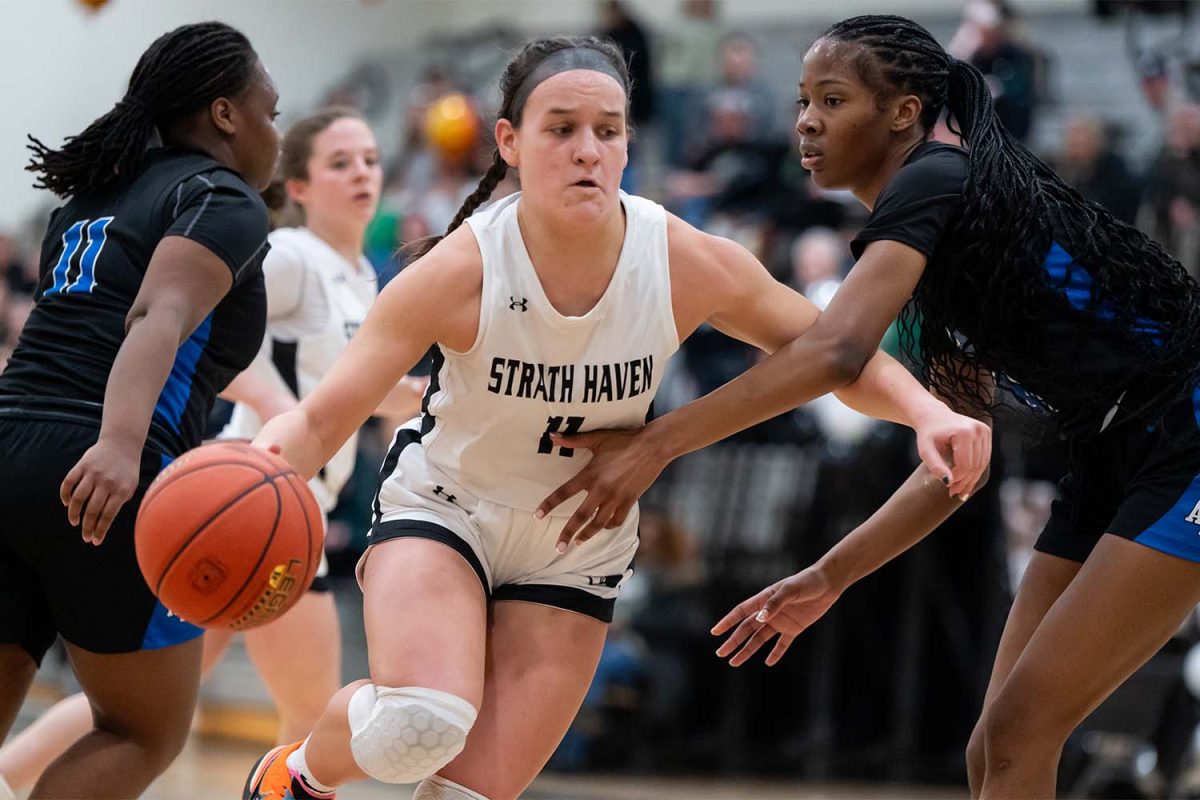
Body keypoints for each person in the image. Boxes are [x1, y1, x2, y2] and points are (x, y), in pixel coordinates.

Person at [240, 34, 988, 800]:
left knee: (470, 789)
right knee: (417, 725)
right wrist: (250, 477)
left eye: (608, 130)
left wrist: (927, 413)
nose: (587, 151)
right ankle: (296, 775)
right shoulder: (459, 270)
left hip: (575, 541)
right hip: (448, 508)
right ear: (511, 143)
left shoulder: (681, 258)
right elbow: (323, 418)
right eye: (561, 129)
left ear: (630, 142)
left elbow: (836, 350)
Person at [536, 14, 1200, 800]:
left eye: (833, 99)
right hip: (1114, 448)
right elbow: (957, 457)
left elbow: (833, 351)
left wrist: (657, 443)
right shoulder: (940, 249)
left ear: (903, 113)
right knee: (994, 747)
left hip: (1186, 433)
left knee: (1021, 733)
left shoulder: (937, 176)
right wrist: (829, 575)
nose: (806, 121)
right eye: (802, 100)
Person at [0, 107, 427, 795]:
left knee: (146, 702)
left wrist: (406, 396)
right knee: (302, 714)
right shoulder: (289, 256)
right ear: (300, 185)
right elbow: (214, 342)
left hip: (274, 507)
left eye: (372, 160)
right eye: (341, 162)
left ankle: (11, 776)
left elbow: (342, 388)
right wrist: (274, 405)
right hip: (251, 499)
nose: (363, 174)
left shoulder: (360, 278)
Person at [0, 21, 278, 800]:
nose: (273, 133)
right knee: (140, 732)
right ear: (226, 115)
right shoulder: (221, 196)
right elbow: (157, 315)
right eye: (271, 113)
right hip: (102, 470)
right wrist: (121, 444)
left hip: (8, 444)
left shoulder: (87, 199)